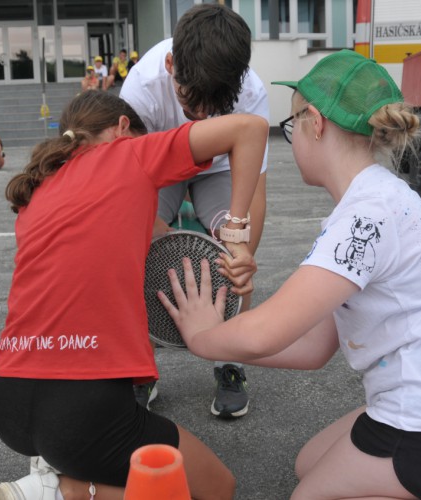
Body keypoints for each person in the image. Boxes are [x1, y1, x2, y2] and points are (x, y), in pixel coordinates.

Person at [158, 50, 421, 500]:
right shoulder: (385, 199)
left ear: (314, 123)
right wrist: (217, 336)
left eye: (290, 125)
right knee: (308, 464)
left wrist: (205, 338)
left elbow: (266, 332)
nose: (291, 138)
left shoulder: (363, 218)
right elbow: (313, 347)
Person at [0, 90, 264, 500]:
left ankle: (58, 470)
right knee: (215, 488)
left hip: (6, 397)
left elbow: (162, 246)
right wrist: (237, 238)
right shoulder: (128, 154)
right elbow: (250, 128)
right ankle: (67, 490)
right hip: (79, 404)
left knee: (112, 467)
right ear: (120, 128)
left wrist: (221, 267)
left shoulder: (39, 191)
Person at [120, 2, 269, 419]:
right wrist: (151, 229)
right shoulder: (141, 87)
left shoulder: (250, 92)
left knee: (235, 259)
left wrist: (241, 245)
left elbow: (254, 186)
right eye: (189, 99)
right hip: (157, 168)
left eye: (213, 106)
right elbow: (125, 180)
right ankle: (140, 369)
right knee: (132, 254)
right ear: (170, 65)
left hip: (219, 168)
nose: (201, 114)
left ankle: (230, 362)